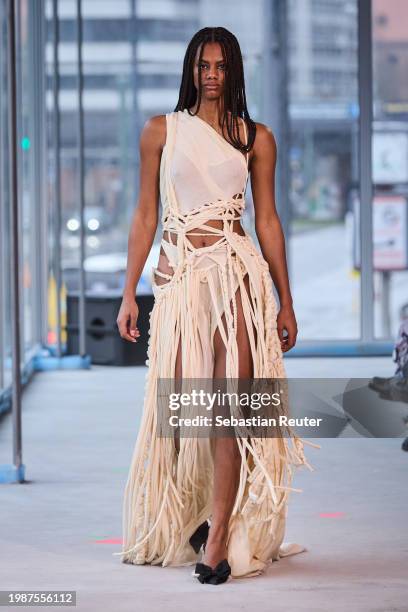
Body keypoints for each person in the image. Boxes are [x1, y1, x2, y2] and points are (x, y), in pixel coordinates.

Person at [114, 26, 316, 585]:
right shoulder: (161, 131)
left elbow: (268, 221)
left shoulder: (256, 137)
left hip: (237, 280)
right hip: (180, 283)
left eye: (221, 66)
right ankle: (202, 514)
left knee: (230, 411)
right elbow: (144, 215)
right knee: (187, 416)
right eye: (203, 65)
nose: (211, 75)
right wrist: (129, 291)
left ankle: (220, 537)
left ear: (234, 72)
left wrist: (286, 300)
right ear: (190, 69)